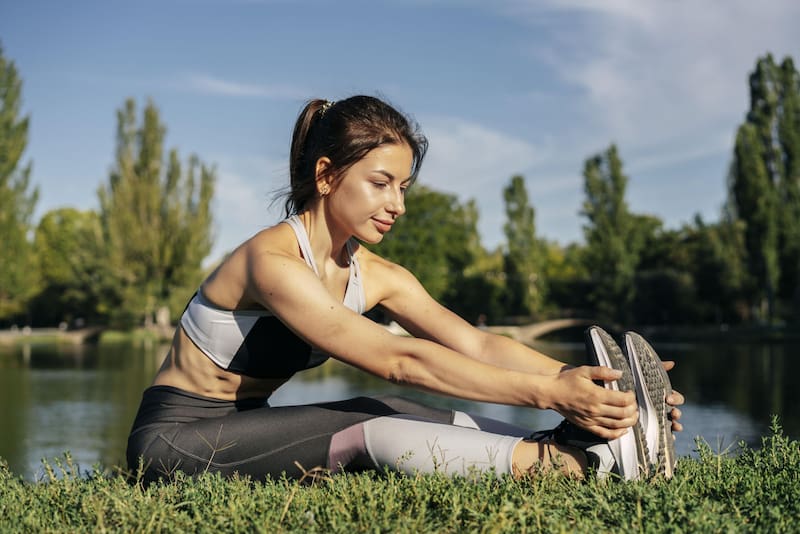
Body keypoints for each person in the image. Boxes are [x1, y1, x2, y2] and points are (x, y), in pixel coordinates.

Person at [126, 95, 684, 484]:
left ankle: (577, 438)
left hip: (247, 425)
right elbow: (397, 357)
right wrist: (548, 392)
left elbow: (476, 344)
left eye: (404, 187)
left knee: (397, 409)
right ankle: (577, 466)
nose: (398, 204)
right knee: (373, 424)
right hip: (174, 440)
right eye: (380, 184)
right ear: (326, 177)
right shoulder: (270, 262)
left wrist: (583, 387)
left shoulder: (376, 274)